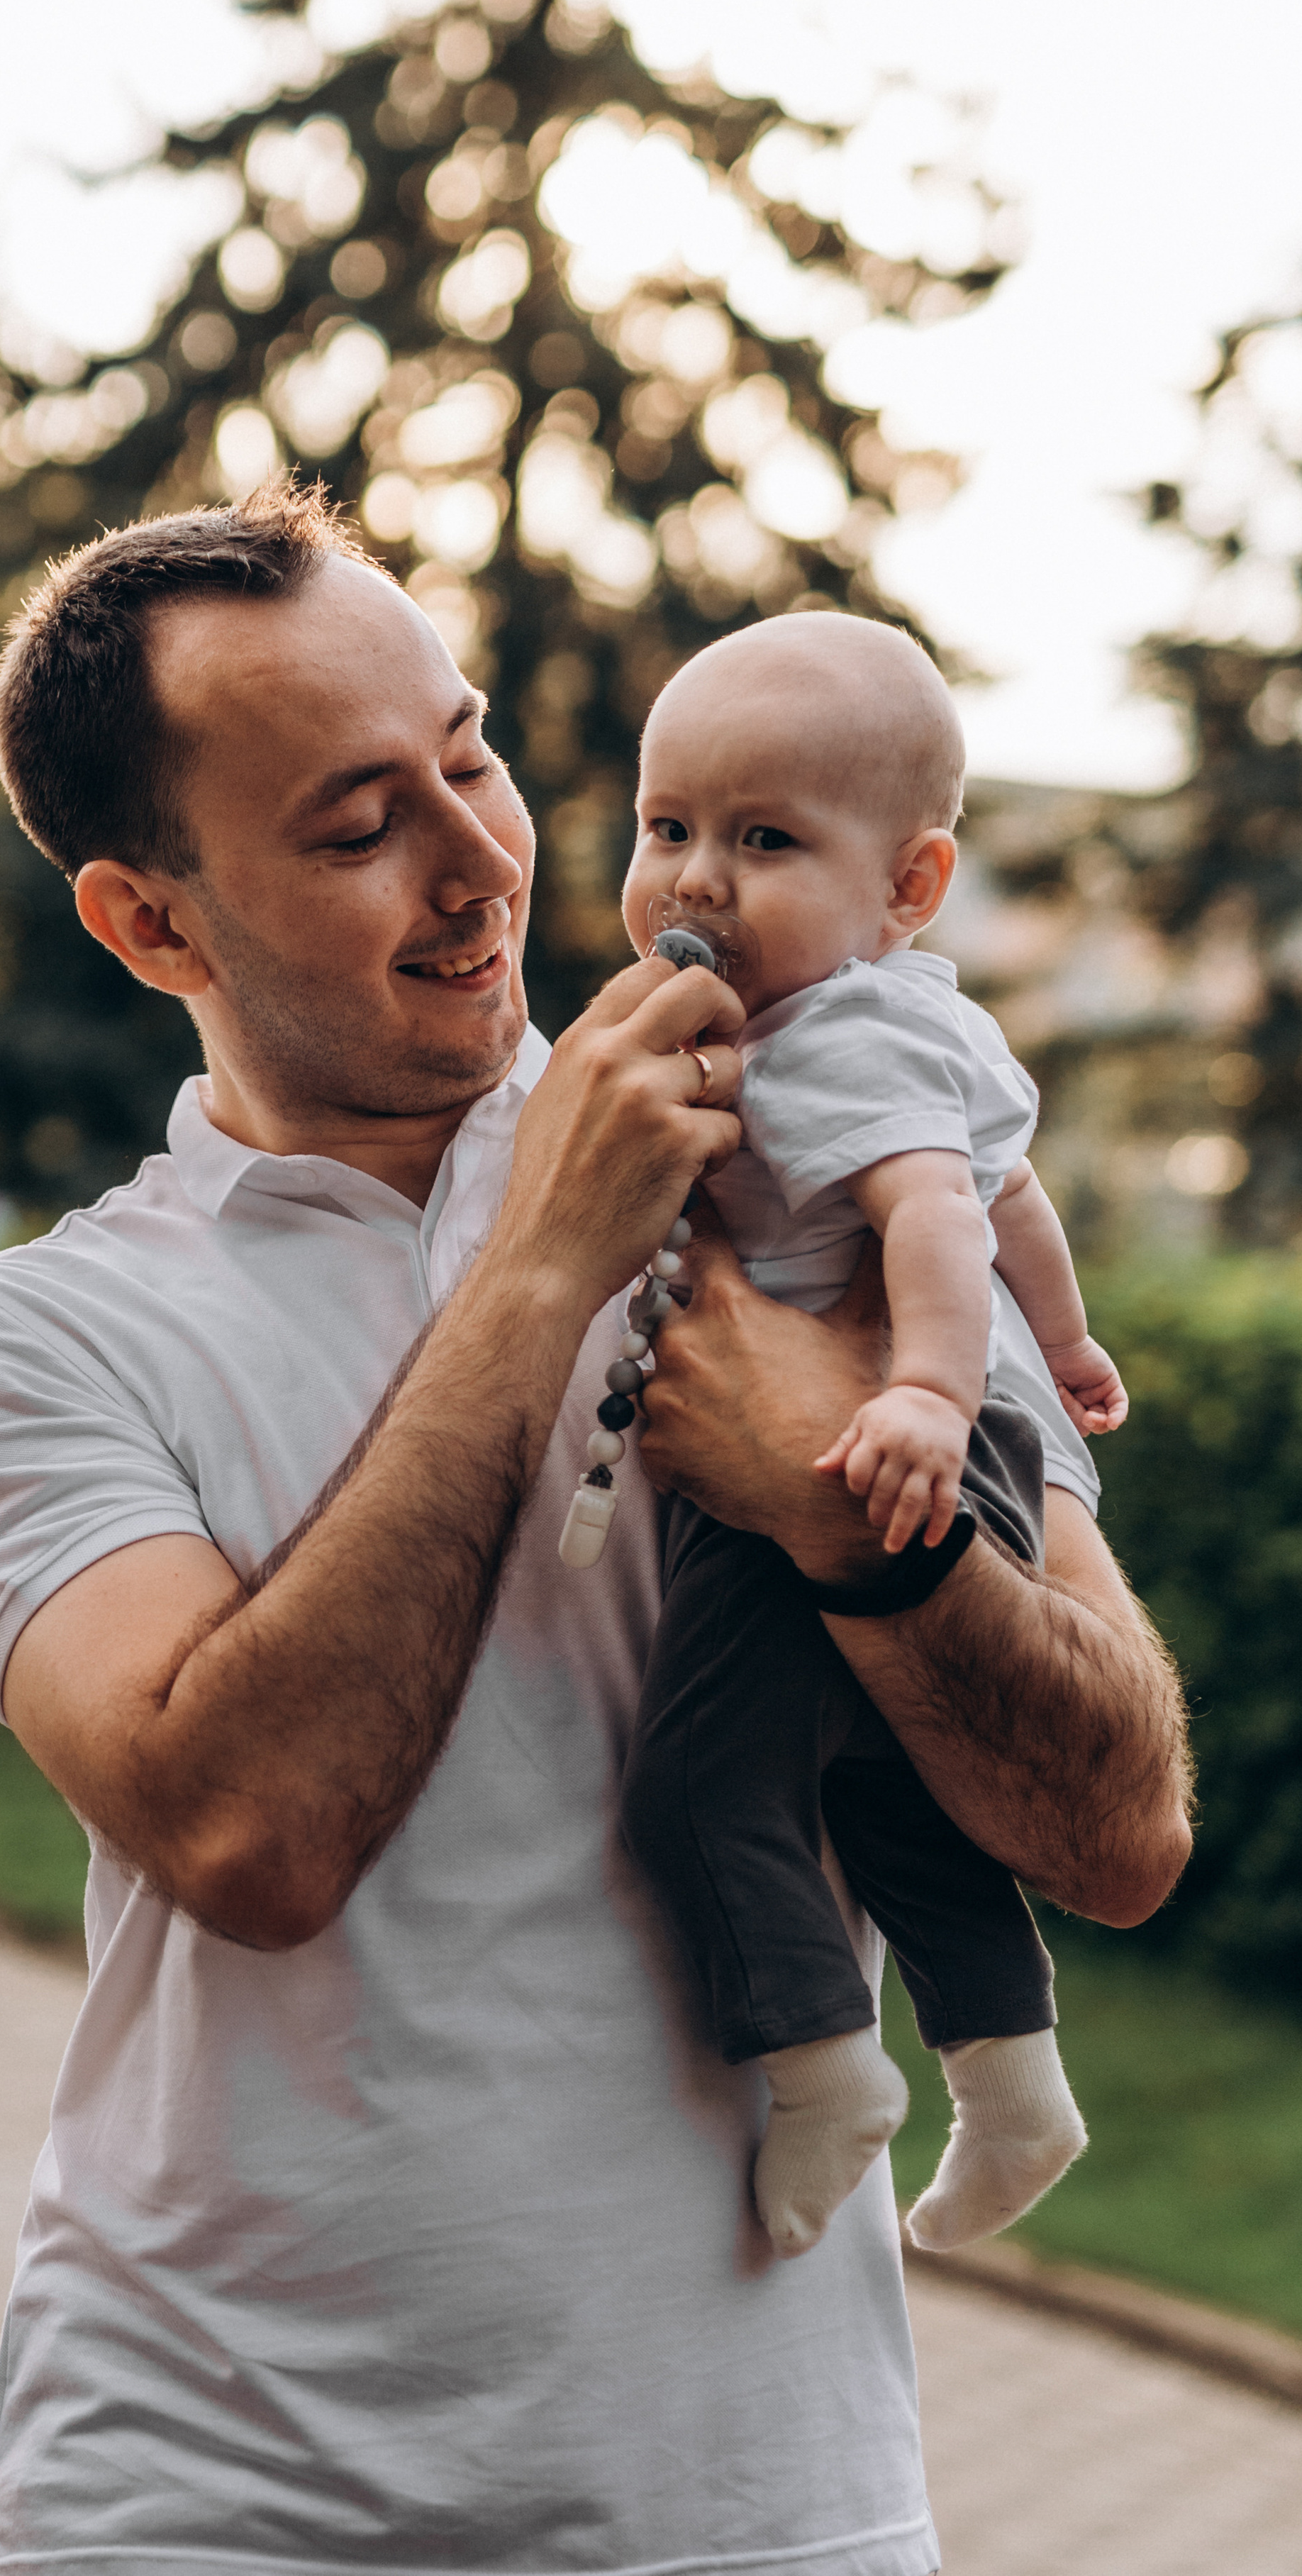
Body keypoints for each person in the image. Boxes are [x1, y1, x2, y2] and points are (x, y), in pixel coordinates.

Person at [0, 484, 1191, 2576]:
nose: (479, 856)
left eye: (473, 753)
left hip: (757, 2498)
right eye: (352, 827)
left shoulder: (813, 1178)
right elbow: (249, 1829)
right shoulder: (36, 1336)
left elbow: (1117, 1820)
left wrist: (851, 1522)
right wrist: (542, 1258)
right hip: (203, 2496)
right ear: (152, 923)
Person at [608, 616, 1121, 2270]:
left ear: (907, 885)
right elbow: (1006, 1192)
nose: (694, 877)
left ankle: (824, 2066)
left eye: (763, 840)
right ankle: (1009, 2074)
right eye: (666, 824)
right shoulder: (914, 1016)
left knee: (701, 1778)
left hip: (861, 1441)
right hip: (928, 1419)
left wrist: (914, 1389)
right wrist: (1055, 1346)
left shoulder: (833, 1036)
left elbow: (927, 1215)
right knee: (892, 1781)